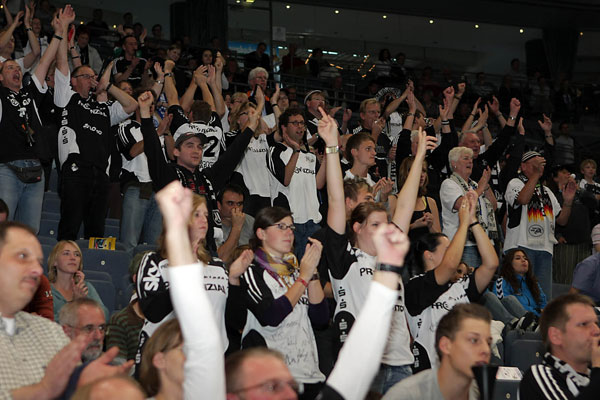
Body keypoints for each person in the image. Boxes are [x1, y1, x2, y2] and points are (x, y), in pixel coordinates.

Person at [323, 108, 434, 394]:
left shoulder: (389, 259)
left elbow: (406, 204)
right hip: (361, 364)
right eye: (375, 224)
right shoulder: (345, 257)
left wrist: (419, 157)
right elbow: (335, 199)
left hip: (401, 363)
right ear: (357, 228)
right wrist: (332, 145)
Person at [0, 221, 133, 399]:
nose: (37, 269)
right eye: (23, 256)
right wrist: (44, 389)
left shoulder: (49, 331)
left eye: (38, 262)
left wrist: (83, 381)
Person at [135, 193, 251, 374]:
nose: (204, 220)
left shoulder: (217, 265)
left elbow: (235, 321)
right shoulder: (155, 261)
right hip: (165, 363)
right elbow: (153, 312)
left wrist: (234, 280)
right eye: (196, 214)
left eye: (206, 215)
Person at [138, 86, 259, 256]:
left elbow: (231, 158)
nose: (196, 150)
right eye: (190, 145)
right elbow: (153, 152)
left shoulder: (207, 178)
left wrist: (250, 128)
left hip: (207, 253)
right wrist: (145, 114)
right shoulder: (169, 176)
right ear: (176, 151)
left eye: (199, 146)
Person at [55, 10, 137, 240]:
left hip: (100, 174)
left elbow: (131, 105)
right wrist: (63, 29)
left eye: (94, 76)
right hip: (75, 170)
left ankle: (95, 262)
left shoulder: (104, 108)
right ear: (74, 81)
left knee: (97, 232)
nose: (92, 80)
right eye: (87, 76)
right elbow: (62, 64)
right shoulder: (67, 97)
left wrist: (107, 86)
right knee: (70, 226)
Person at [238, 204, 328, 399]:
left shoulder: (296, 271)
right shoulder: (251, 271)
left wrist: (312, 272)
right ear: (261, 233)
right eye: (281, 227)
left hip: (309, 374)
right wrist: (303, 278)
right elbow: (271, 316)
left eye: (291, 227)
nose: (289, 233)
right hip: (271, 379)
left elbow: (320, 319)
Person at [405, 189, 498, 373]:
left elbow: (491, 264)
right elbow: (448, 266)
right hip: (430, 375)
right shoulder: (415, 286)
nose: (454, 252)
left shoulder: (459, 287)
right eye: (447, 249)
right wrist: (462, 224)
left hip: (461, 371)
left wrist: (472, 221)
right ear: (429, 255)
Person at [0, 5, 65, 233]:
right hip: (7, 168)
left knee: (30, 231)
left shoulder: (30, 93)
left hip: (36, 169)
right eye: (9, 68)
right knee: (5, 229)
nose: (16, 70)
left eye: (17, 68)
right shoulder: (0, 95)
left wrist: (59, 33)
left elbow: (44, 61)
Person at [504, 151, 576, 299]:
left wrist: (568, 201)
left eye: (541, 165)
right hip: (521, 247)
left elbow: (562, 220)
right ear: (523, 166)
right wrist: (536, 175)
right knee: (520, 296)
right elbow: (523, 199)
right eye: (536, 164)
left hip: (545, 249)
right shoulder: (515, 183)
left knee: (543, 298)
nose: (540, 167)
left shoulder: (547, 191)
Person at [382, 303, 493, 400]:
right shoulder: (406, 395)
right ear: (446, 345)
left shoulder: (485, 393)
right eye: (474, 340)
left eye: (488, 343)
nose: (486, 350)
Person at [267, 108, 325, 258]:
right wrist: (296, 151)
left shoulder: (310, 157)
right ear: (284, 127)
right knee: (291, 267)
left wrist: (327, 158)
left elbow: (318, 185)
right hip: (290, 223)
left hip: (313, 222)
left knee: (312, 268)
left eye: (302, 123)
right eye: (295, 123)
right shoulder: (275, 151)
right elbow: (285, 180)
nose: (300, 127)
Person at [519, 293, 600, 399]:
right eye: (584, 324)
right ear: (556, 336)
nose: (597, 331)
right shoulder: (539, 376)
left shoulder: (593, 377)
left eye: (596, 323)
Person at [440, 146, 497, 267]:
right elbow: (463, 205)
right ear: (454, 163)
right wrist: (480, 188)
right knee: (466, 278)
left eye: (471, 159)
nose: (470, 161)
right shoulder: (449, 184)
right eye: (465, 158)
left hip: (482, 242)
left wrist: (486, 185)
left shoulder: (474, 185)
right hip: (463, 245)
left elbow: (493, 206)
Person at [47, 240, 108, 322]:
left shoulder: (86, 287)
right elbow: (46, 321)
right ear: (55, 261)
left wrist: (84, 303)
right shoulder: (46, 290)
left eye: (77, 254)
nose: (73, 258)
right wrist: (76, 305)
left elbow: (104, 315)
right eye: (66, 253)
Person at [397, 156, 441, 242]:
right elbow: (391, 235)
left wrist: (430, 226)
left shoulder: (430, 202)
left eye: (424, 171)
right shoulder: (395, 200)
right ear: (406, 173)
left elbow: (439, 238)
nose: (421, 175)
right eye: (417, 170)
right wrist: (414, 225)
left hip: (426, 249)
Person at [493, 248, 547, 317]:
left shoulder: (533, 283)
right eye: (518, 258)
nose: (523, 260)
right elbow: (504, 305)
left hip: (538, 319)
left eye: (525, 258)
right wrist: (536, 312)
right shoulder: (502, 282)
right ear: (509, 264)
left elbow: (543, 304)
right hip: (514, 320)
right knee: (510, 299)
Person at [59, 298, 106, 362]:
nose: (98, 336)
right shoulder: (51, 365)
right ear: (66, 331)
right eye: (89, 329)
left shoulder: (113, 365)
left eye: (101, 328)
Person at [217, 184, 255, 255]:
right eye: (230, 203)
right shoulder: (211, 225)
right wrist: (237, 227)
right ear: (219, 205)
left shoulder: (250, 221)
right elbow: (221, 258)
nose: (236, 208)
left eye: (239, 204)